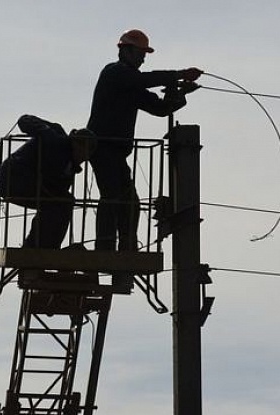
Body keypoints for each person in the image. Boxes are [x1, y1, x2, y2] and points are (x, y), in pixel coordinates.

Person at [87, 29, 203, 251]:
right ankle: (105, 248)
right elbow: (143, 80)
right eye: (140, 53)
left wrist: (180, 94)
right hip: (102, 147)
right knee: (112, 196)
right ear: (126, 50)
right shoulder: (114, 73)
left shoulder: (131, 85)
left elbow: (159, 108)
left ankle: (126, 245)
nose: (143, 57)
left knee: (130, 202)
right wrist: (179, 75)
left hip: (117, 151)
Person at [0, 114, 96, 249]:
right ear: (75, 143)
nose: (84, 157)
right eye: (83, 150)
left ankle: (46, 246)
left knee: (62, 203)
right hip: (14, 177)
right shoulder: (56, 138)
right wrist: (45, 132)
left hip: (33, 182)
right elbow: (24, 120)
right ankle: (36, 246)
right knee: (60, 201)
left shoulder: (69, 168)